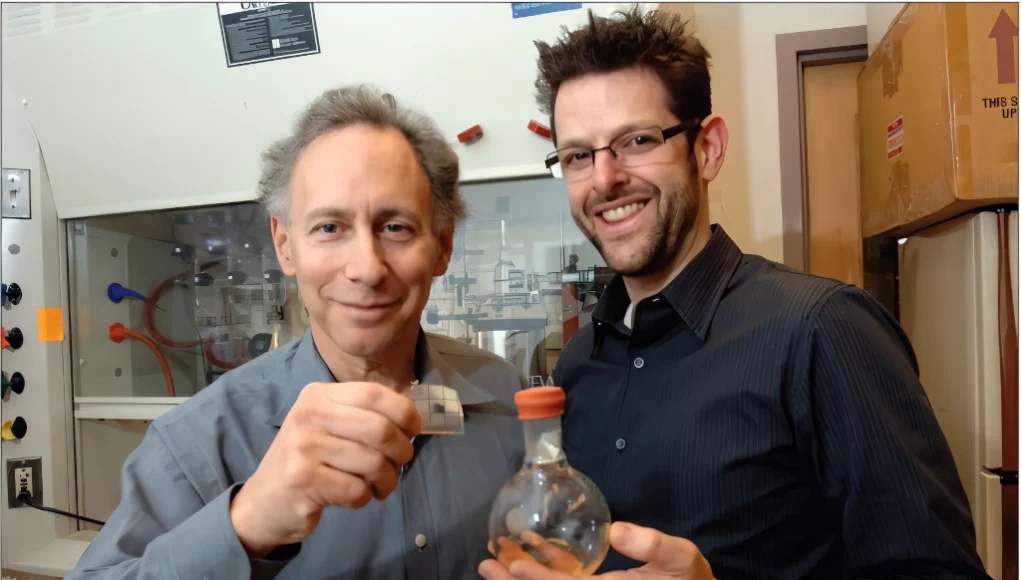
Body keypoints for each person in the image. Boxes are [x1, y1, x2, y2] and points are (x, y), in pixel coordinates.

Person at [480, 7, 990, 580]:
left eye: (637, 140)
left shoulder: (822, 331)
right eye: (578, 156)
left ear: (707, 149)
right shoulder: (579, 362)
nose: (604, 180)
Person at [68, 85, 525, 580]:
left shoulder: (506, 400)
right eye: (330, 227)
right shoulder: (199, 443)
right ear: (285, 246)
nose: (366, 269)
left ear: (441, 246)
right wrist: (245, 524)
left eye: (395, 227)